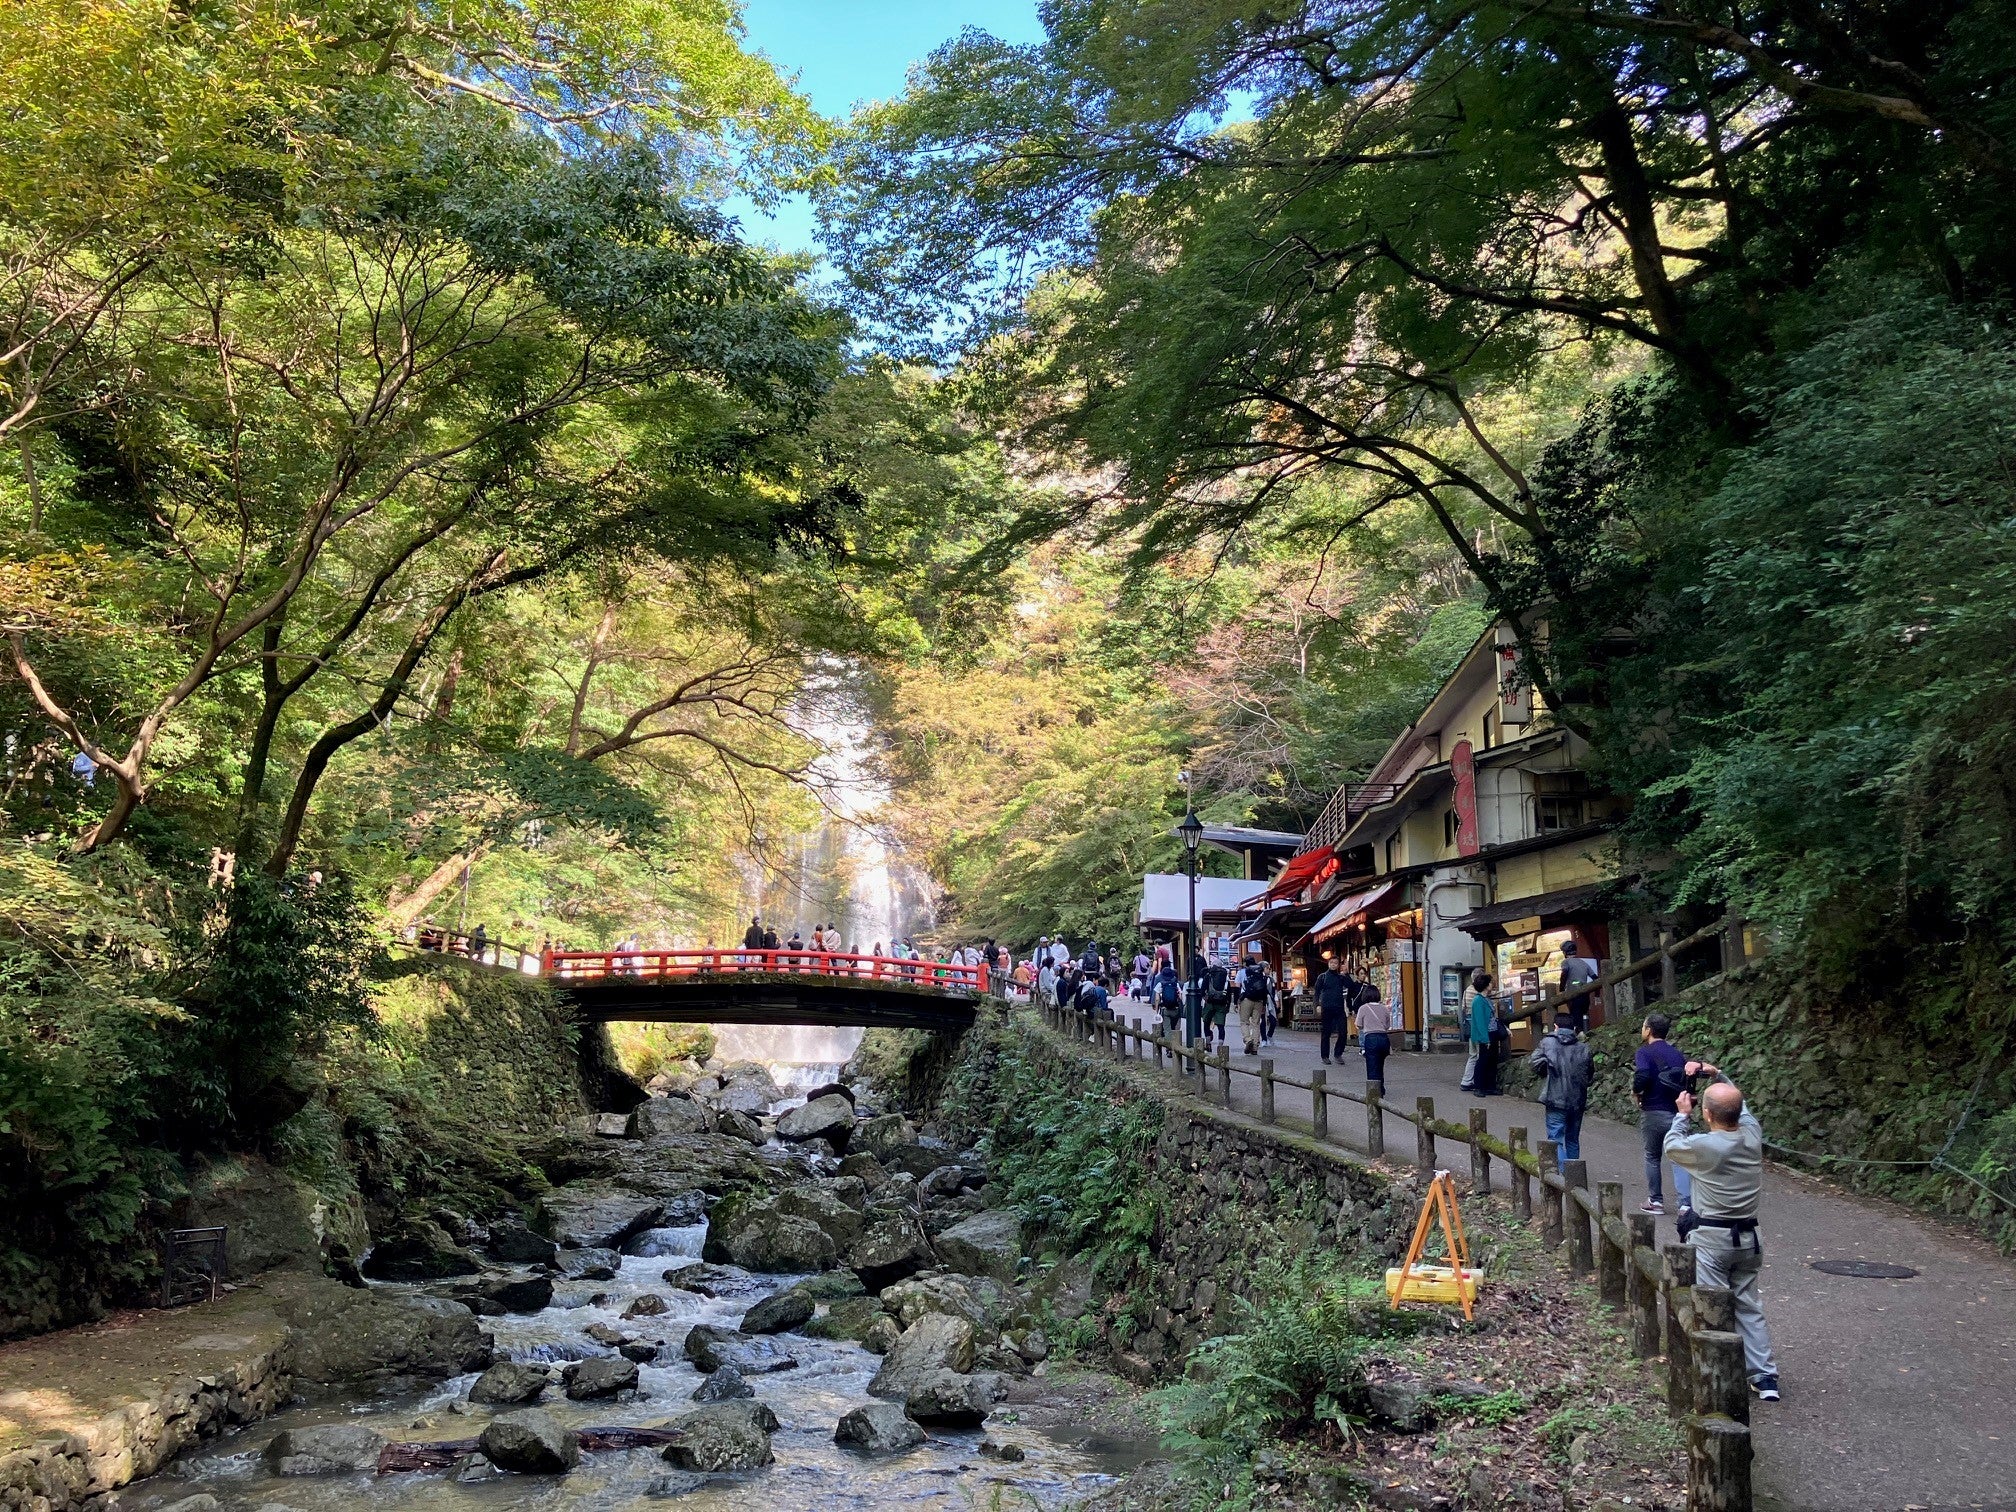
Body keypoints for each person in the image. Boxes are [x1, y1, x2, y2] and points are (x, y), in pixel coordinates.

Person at [1666, 1066, 1780, 1401]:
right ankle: (1765, 1377)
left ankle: (1719, 1377)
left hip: (1713, 1239)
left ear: (1707, 1114)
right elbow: (1740, 1107)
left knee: (1715, 1306)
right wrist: (1718, 1074)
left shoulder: (1705, 1147)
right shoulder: (1752, 1136)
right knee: (1748, 1306)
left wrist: (1681, 1115)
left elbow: (1672, 1146)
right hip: (1749, 1239)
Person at [1634, 1013, 1695, 1215]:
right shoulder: (1677, 1054)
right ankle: (1685, 1204)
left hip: (1652, 1110)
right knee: (1678, 1157)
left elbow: (1642, 1074)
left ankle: (1656, 1201)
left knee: (1652, 1155)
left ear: (1649, 1030)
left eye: (1644, 1026)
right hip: (1676, 1111)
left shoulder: (1644, 1052)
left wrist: (1636, 1091)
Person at [1527, 1018, 1593, 1164]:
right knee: (1573, 1139)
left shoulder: (1547, 1043)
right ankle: (1575, 1175)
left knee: (1555, 1138)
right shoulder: (1583, 1047)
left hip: (1555, 1097)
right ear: (1574, 1028)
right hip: (1577, 1099)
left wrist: (1547, 1070)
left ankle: (1562, 1175)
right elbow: (1589, 1074)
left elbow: (1534, 1063)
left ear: (1555, 1026)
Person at [1467, 970, 1501, 1095]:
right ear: (1486, 985)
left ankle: (1490, 1086)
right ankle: (1479, 1086)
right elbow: (1480, 1022)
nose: (1492, 985)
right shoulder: (1478, 1001)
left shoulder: (1485, 999)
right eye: (1490, 983)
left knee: (1492, 1060)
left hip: (1492, 1032)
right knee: (1482, 1061)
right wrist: (1485, 1039)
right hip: (1485, 1035)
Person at [1355, 989, 1392, 1094]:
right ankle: (1381, 1088)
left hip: (1371, 1038)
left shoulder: (1363, 1008)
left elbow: (1359, 1024)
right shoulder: (1384, 1009)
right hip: (1384, 1039)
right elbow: (1387, 1026)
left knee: (1372, 1066)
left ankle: (1374, 1092)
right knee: (1380, 1065)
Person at [1314, 961, 1350, 1064]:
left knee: (1343, 1031)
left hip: (1339, 1008)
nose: (1333, 965)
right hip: (1326, 1007)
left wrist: (1346, 974)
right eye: (1331, 963)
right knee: (1326, 1032)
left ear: (1338, 965)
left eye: (1335, 963)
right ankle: (1324, 1056)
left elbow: (1350, 986)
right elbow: (1317, 992)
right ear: (1329, 964)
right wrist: (1317, 1005)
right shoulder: (1323, 977)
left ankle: (1338, 1053)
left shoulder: (1340, 977)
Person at [1235, 959, 1270, 1055]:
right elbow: (1265, 991)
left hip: (1246, 999)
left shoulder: (1243, 972)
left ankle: (1248, 1039)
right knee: (1256, 1024)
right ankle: (1255, 1047)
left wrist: (1236, 1002)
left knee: (1244, 1022)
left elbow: (1237, 987)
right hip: (1259, 1001)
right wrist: (1264, 1004)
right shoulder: (1261, 975)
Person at [1152, 959, 1183, 1035]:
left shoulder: (1160, 984)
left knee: (1167, 1029)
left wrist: (1157, 1010)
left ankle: (1168, 1045)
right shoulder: (1175, 984)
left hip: (1165, 1009)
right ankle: (1176, 1044)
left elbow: (1157, 999)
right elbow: (1180, 996)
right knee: (1175, 1029)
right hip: (1175, 1009)